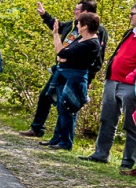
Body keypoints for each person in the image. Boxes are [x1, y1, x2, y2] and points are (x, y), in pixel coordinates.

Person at [18, 0, 106, 138]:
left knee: (68, 105)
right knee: (46, 96)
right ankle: (38, 128)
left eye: (76, 9)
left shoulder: (96, 32)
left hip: (76, 74)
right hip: (61, 70)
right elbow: (57, 26)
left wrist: (89, 78)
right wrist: (45, 15)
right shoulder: (73, 25)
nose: (74, 12)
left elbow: (96, 57)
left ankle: (63, 139)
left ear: (85, 12)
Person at [81, 3, 136, 171]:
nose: (130, 16)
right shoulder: (130, 33)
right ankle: (100, 154)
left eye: (133, 13)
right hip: (113, 81)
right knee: (107, 119)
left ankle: (128, 160)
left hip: (130, 85)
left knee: (131, 124)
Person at [43, 12, 102, 150]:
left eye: (79, 23)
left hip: (75, 78)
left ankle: (66, 142)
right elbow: (63, 55)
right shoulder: (81, 39)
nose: (77, 25)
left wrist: (56, 35)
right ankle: (57, 138)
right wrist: (63, 56)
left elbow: (62, 53)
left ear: (85, 26)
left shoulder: (91, 43)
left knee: (69, 108)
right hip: (64, 74)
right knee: (61, 107)